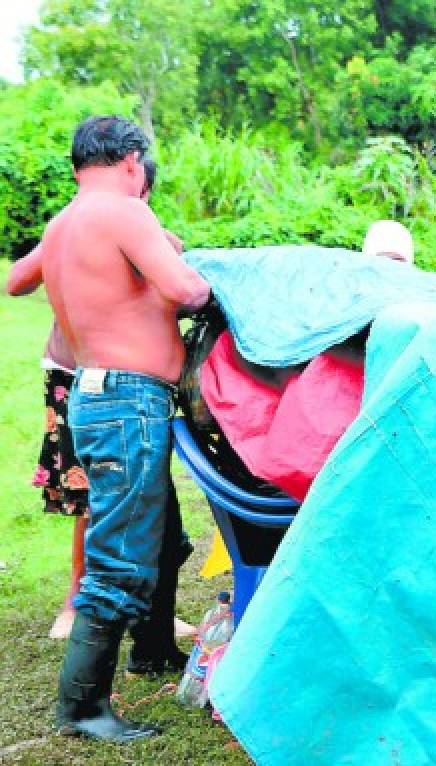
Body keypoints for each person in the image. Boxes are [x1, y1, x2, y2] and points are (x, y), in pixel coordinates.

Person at [6, 115, 211, 743]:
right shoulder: (124, 212)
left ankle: (151, 650)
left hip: (97, 394)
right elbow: (188, 291)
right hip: (126, 400)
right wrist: (195, 270)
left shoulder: (63, 222)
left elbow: (30, 283)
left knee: (164, 535)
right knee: (120, 555)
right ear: (130, 161)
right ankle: (83, 706)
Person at [14, 157, 196, 643]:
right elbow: (185, 290)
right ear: (133, 175)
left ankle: (150, 638)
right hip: (101, 380)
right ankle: (78, 611)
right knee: (104, 504)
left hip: (91, 377)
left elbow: (16, 280)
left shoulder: (72, 224)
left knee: (141, 510)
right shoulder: (108, 221)